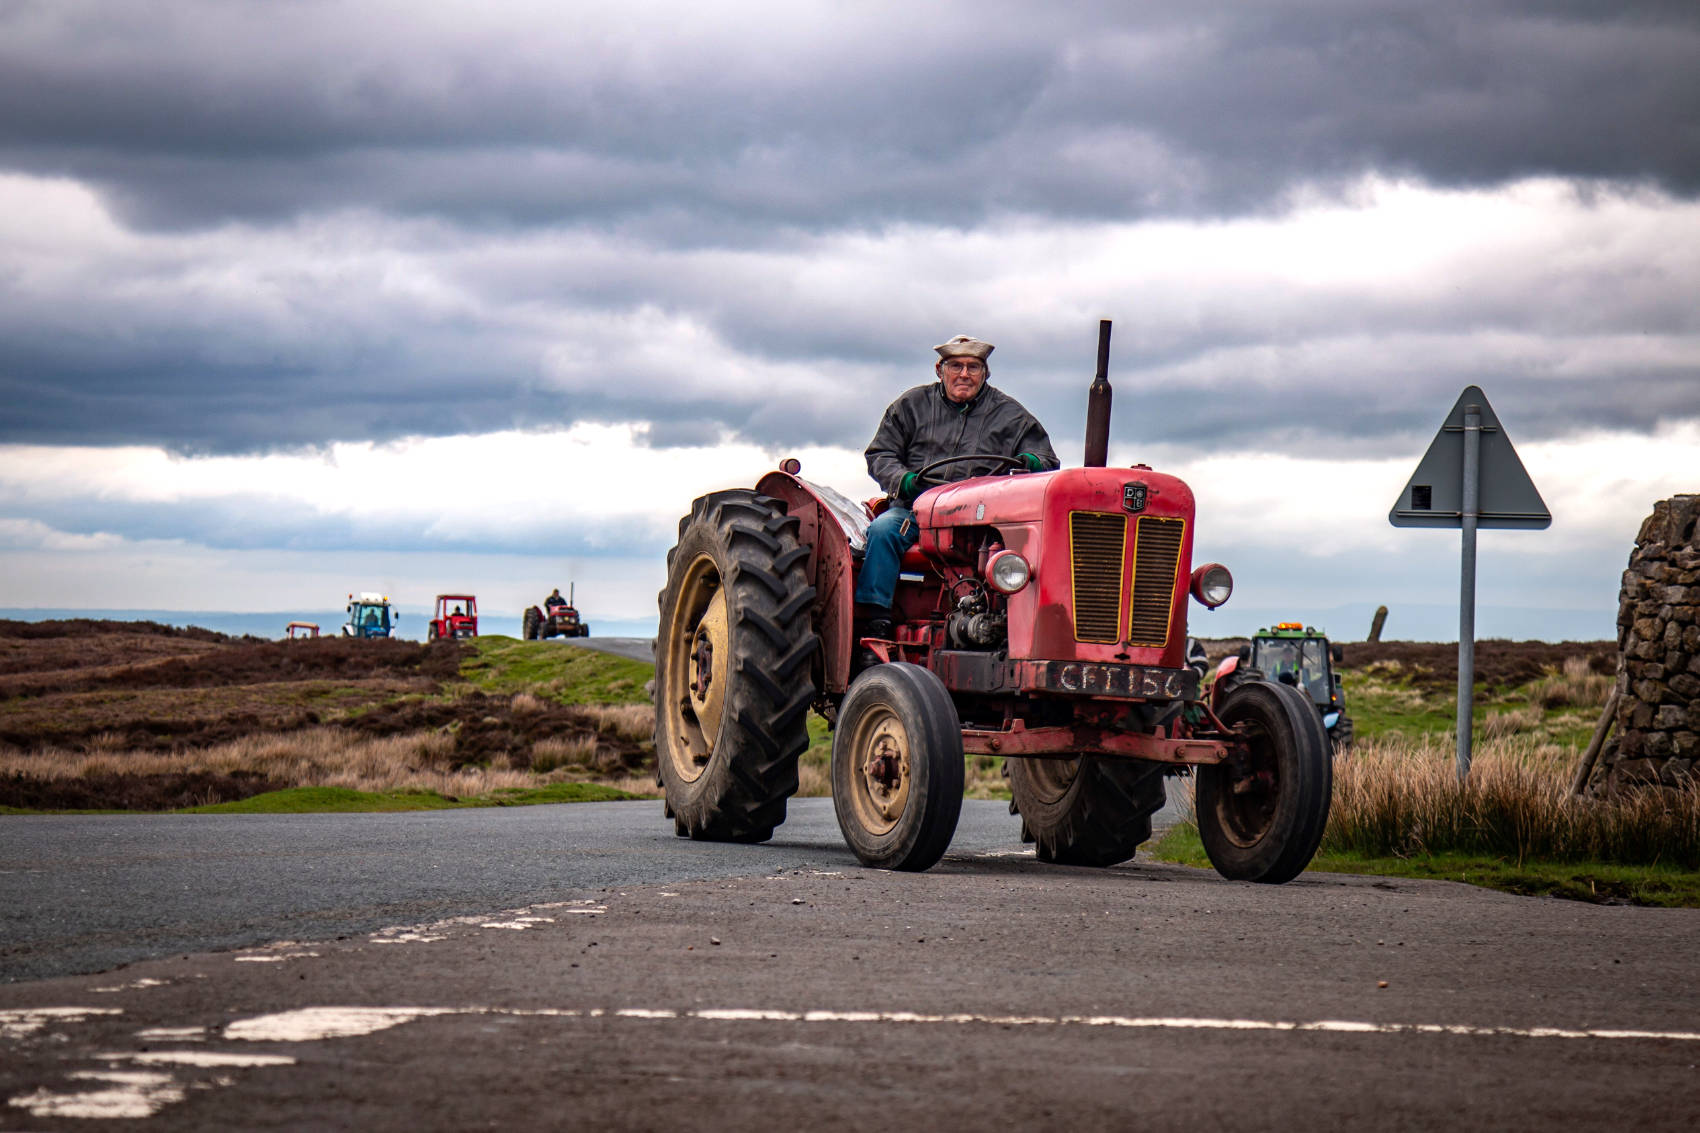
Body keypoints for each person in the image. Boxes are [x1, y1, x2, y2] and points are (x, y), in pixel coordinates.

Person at [856, 334, 1059, 643]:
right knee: (884, 531)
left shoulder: (1010, 415)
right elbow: (881, 454)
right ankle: (875, 622)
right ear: (940, 370)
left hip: (979, 520)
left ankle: (1012, 629)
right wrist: (904, 480)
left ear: (985, 373)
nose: (964, 374)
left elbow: (1045, 458)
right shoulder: (911, 406)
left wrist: (1029, 461)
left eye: (973, 367)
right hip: (916, 510)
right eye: (956, 366)